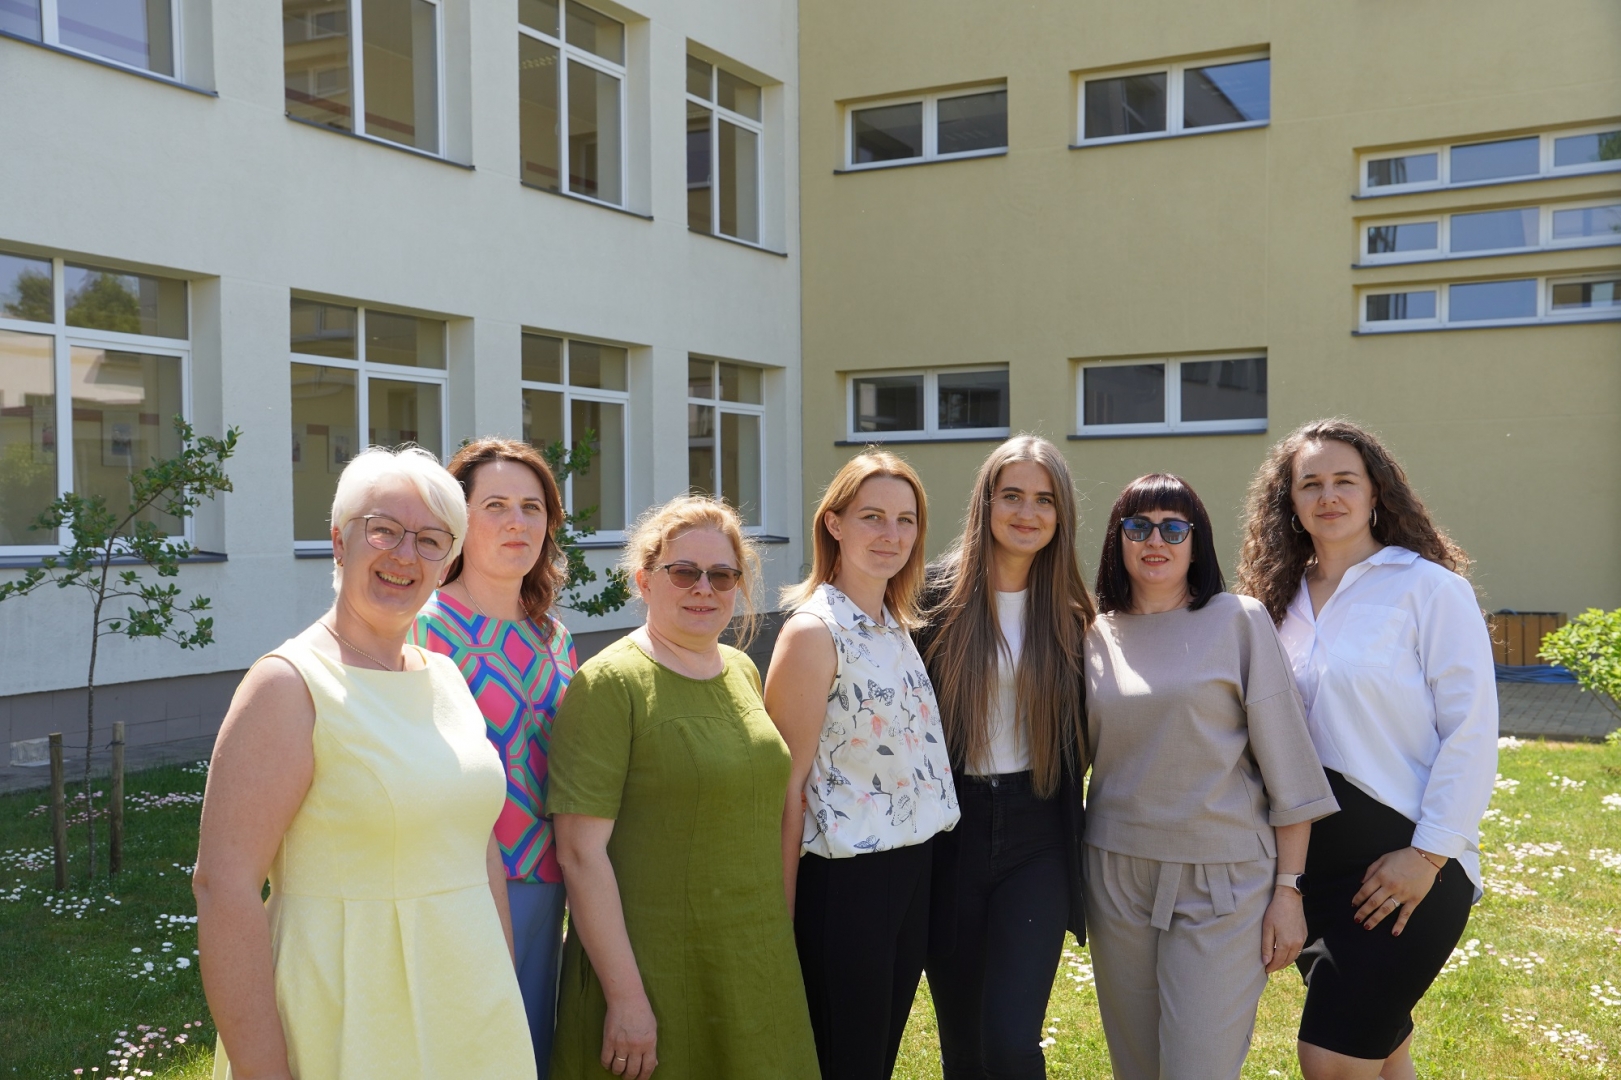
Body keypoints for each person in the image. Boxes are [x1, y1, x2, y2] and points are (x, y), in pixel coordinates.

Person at [194, 446, 534, 1080]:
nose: (405, 555)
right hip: (347, 1009)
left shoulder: (445, 676)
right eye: (384, 530)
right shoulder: (288, 685)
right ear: (338, 541)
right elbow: (223, 887)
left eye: (430, 540)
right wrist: (261, 1068)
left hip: (468, 1007)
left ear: (448, 562)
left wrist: (499, 989)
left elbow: (478, 843)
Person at [1236, 419, 1497, 1080]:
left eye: (1344, 481)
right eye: (1310, 484)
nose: (1328, 496)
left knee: (1329, 1059)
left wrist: (1428, 855)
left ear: (1375, 491)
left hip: (1402, 866)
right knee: (1381, 1056)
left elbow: (1470, 731)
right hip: (1306, 868)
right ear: (1289, 502)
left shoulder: (1428, 589)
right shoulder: (1269, 601)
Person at [546, 495, 817, 1080]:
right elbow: (579, 854)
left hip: (752, 962)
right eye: (684, 572)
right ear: (644, 580)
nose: (704, 589)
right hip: (654, 970)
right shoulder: (609, 683)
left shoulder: (742, 670)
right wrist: (626, 999)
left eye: (722, 575)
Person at [1083, 473, 1338, 1080]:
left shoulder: (1238, 621)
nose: (1156, 541)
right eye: (1139, 526)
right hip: (1115, 876)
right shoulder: (1093, 633)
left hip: (1222, 879)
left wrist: (1289, 891)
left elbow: (1290, 772)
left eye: (1175, 528)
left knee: (1198, 1067)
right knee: (1136, 1068)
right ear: (1117, 539)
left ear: (1197, 542)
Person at [764, 450, 960, 1080]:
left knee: (876, 1060)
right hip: (845, 884)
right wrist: (779, 916)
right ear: (835, 523)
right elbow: (784, 789)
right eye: (872, 516)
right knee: (844, 1063)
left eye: (906, 520)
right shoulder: (814, 632)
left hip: (911, 870)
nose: (890, 534)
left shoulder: (893, 625)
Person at [913, 435, 1094, 1080]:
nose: (1027, 512)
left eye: (1044, 500)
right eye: (1012, 495)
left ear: (1061, 513)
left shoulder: (1073, 613)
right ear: (985, 503)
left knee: (1012, 1042)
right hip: (949, 831)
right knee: (963, 1047)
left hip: (1037, 834)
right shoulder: (931, 600)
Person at [411, 437, 578, 1078]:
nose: (517, 522)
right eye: (496, 505)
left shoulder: (553, 636)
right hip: (458, 883)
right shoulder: (423, 629)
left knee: (528, 1046)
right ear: (459, 521)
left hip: (549, 879)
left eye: (532, 507)